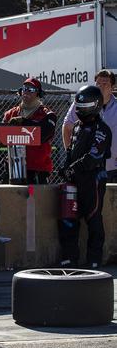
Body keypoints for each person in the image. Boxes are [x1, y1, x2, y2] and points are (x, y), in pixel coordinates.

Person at [58, 85, 112, 269]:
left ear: (95, 105)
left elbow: (94, 156)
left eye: (85, 106)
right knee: (68, 219)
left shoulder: (102, 129)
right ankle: (69, 258)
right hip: (73, 180)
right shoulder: (76, 128)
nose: (80, 110)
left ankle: (94, 260)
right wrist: (66, 168)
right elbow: (70, 151)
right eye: (78, 106)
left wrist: (73, 169)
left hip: (93, 180)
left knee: (93, 218)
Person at [62, 70, 117, 182]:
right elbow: (67, 126)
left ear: (113, 87)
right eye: (98, 83)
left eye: (105, 84)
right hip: (86, 168)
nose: (100, 87)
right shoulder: (83, 103)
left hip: (113, 168)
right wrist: (70, 154)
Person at [2, 77, 57, 184]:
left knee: (34, 195)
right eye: (24, 88)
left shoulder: (47, 115)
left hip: (37, 169)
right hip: (14, 168)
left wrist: (23, 122)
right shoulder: (10, 114)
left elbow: (41, 135)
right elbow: (1, 138)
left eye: (31, 89)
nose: (26, 92)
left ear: (38, 93)